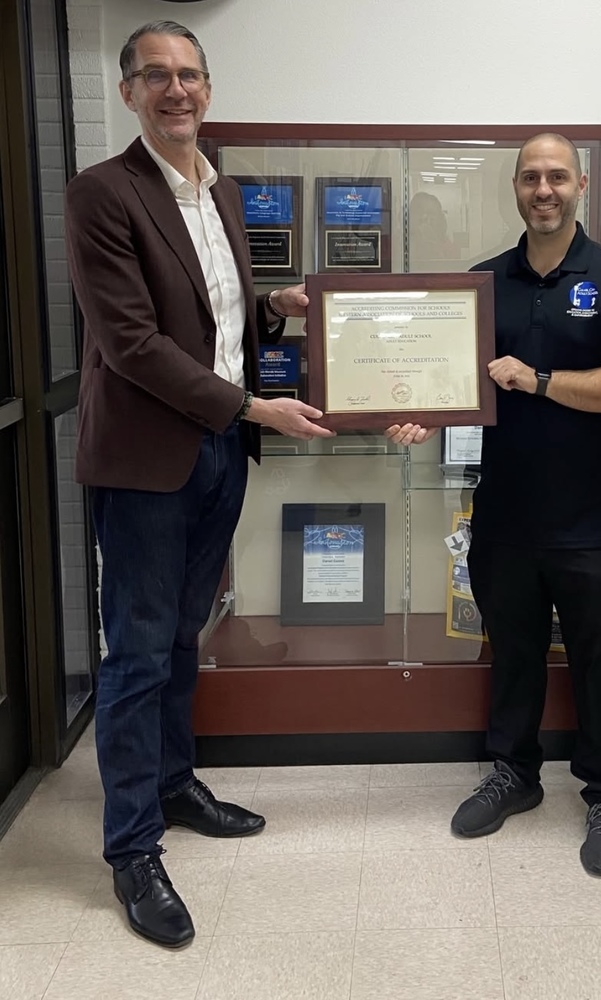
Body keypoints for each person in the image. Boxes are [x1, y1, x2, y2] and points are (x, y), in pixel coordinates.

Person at [64, 20, 333, 948]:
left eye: (190, 76)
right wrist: (256, 409)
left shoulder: (217, 192)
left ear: (207, 88)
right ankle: (131, 847)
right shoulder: (102, 193)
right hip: (148, 460)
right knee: (136, 654)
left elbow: (207, 314)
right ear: (131, 91)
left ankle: (174, 786)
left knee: (184, 636)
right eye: (156, 77)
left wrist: (274, 308)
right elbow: (133, 343)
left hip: (216, 453)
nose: (176, 91)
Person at [389, 133, 601, 876]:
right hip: (504, 516)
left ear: (579, 184)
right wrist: (421, 411)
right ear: (515, 188)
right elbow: (452, 382)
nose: (543, 190)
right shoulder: (482, 284)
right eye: (529, 178)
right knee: (509, 654)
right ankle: (513, 773)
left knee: (597, 660)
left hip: (592, 521)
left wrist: (540, 379)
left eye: (555, 177)